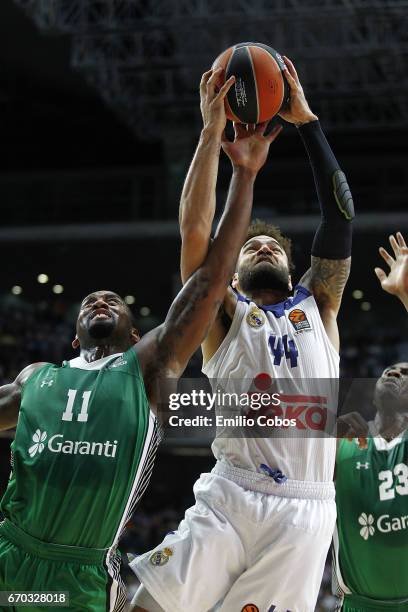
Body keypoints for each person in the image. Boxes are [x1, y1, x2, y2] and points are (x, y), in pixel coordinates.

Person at [0, 70, 265, 612]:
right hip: (9, 560)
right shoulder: (36, 380)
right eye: (90, 301)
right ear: (73, 335)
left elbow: (211, 281)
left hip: (76, 579)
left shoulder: (148, 369)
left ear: (136, 332)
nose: (101, 300)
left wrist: (241, 170)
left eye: (114, 301)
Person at [132, 57, 354, 611]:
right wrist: (211, 135)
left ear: (290, 262)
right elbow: (197, 230)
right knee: (145, 605)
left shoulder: (320, 303)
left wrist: (308, 124)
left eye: (273, 245)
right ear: (230, 275)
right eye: (251, 246)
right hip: (232, 491)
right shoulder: (224, 313)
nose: (262, 247)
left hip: (304, 509)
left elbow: (341, 217)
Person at [334, 231, 408, 611]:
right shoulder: (342, 444)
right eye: (390, 371)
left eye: (406, 372)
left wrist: (406, 296)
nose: (395, 372)